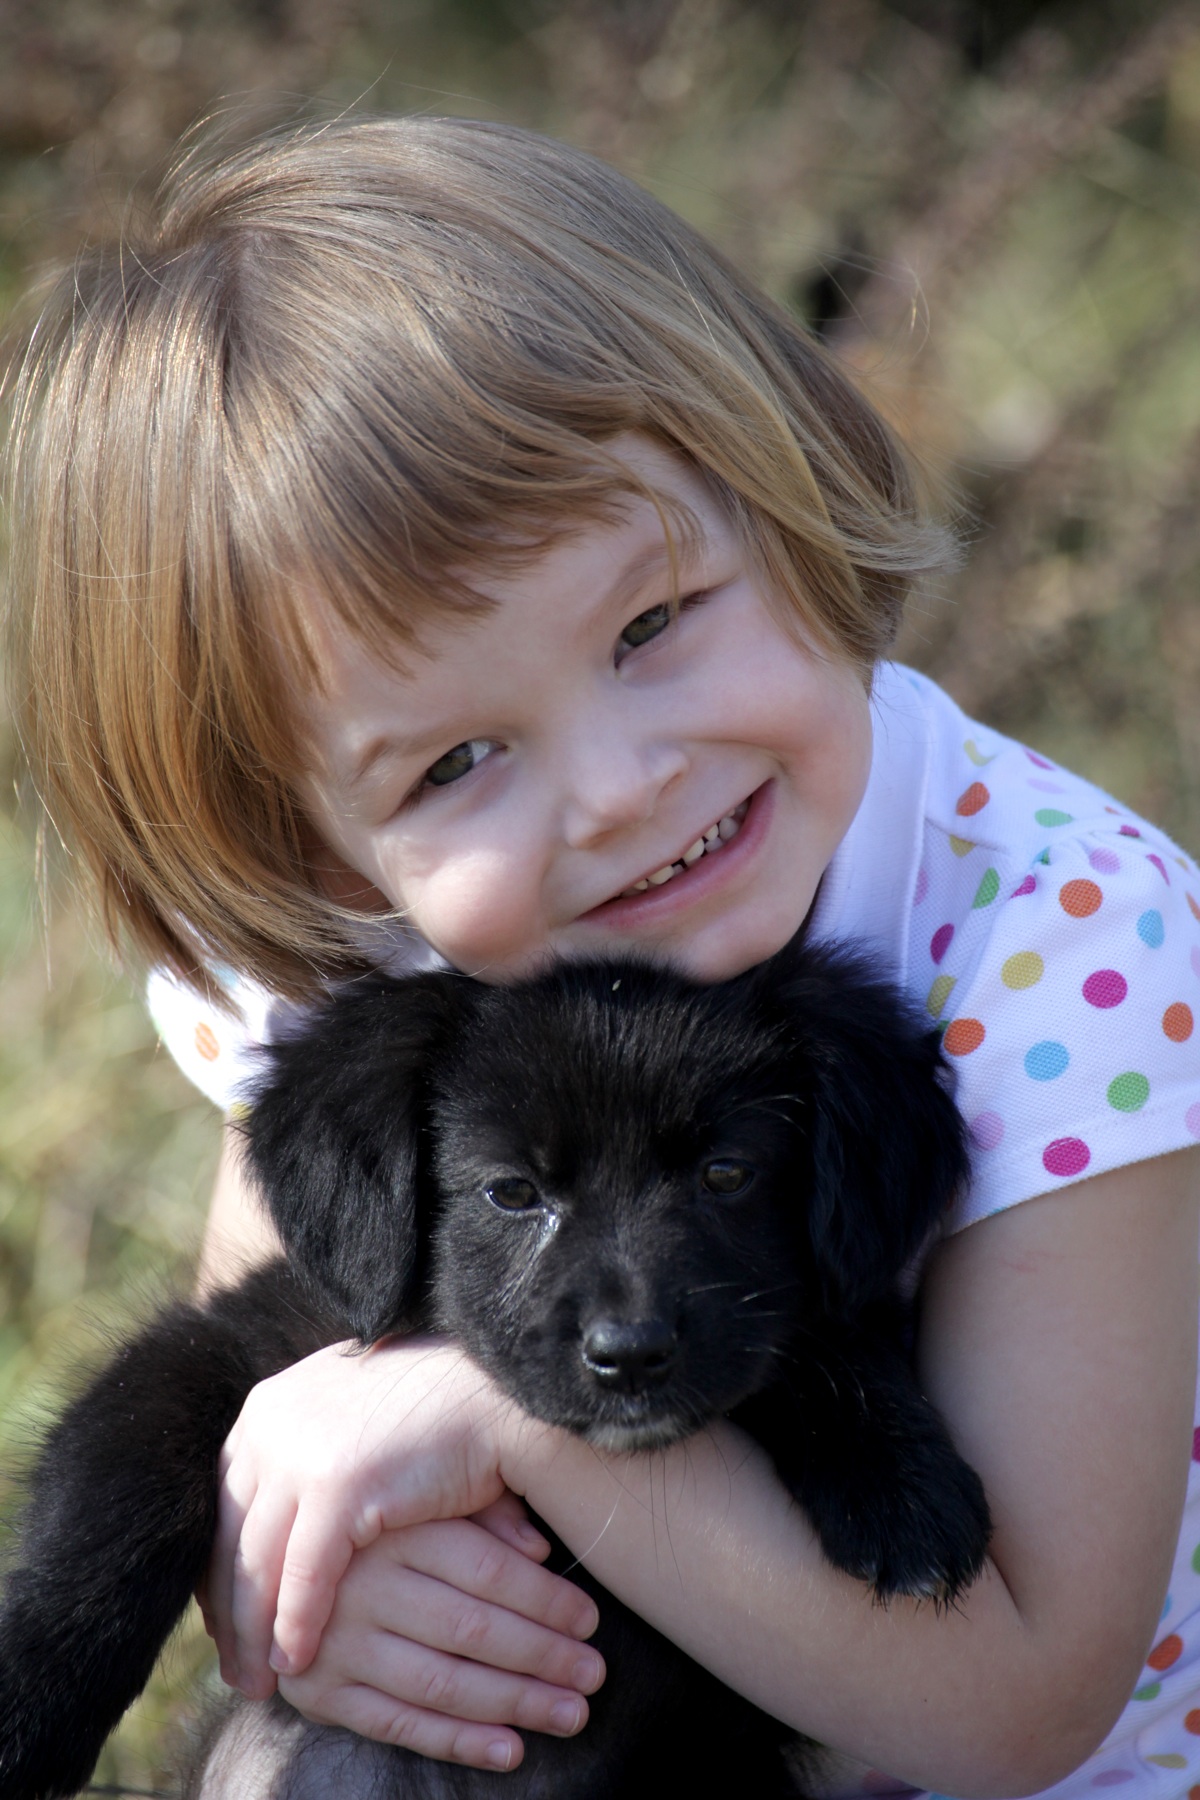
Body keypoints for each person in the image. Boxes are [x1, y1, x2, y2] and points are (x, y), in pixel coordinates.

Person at [6, 113, 1200, 1799]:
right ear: (309, 848)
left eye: (650, 625)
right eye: (452, 765)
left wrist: (511, 1425)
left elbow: (1023, 1706)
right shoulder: (364, 951)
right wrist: (286, 1588)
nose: (622, 788)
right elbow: (262, 1389)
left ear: (776, 482)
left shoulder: (1064, 947)